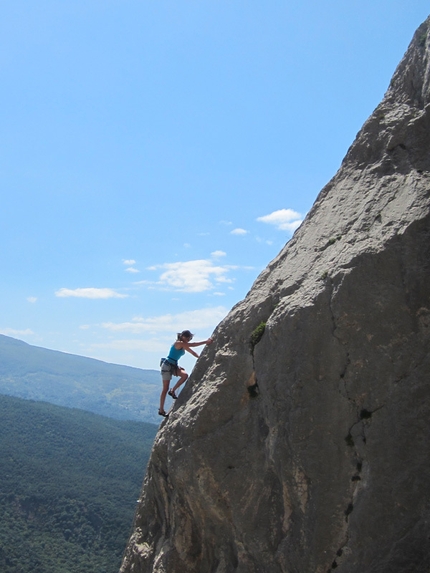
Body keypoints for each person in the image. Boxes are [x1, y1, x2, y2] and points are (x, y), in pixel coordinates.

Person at [159, 330, 213, 417]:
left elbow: (192, 352)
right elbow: (193, 345)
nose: (188, 340)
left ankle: (172, 391)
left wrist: (200, 358)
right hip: (167, 366)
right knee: (165, 389)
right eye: (187, 338)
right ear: (182, 336)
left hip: (173, 365)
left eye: (189, 338)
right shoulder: (179, 343)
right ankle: (161, 410)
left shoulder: (183, 345)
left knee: (185, 375)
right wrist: (206, 342)